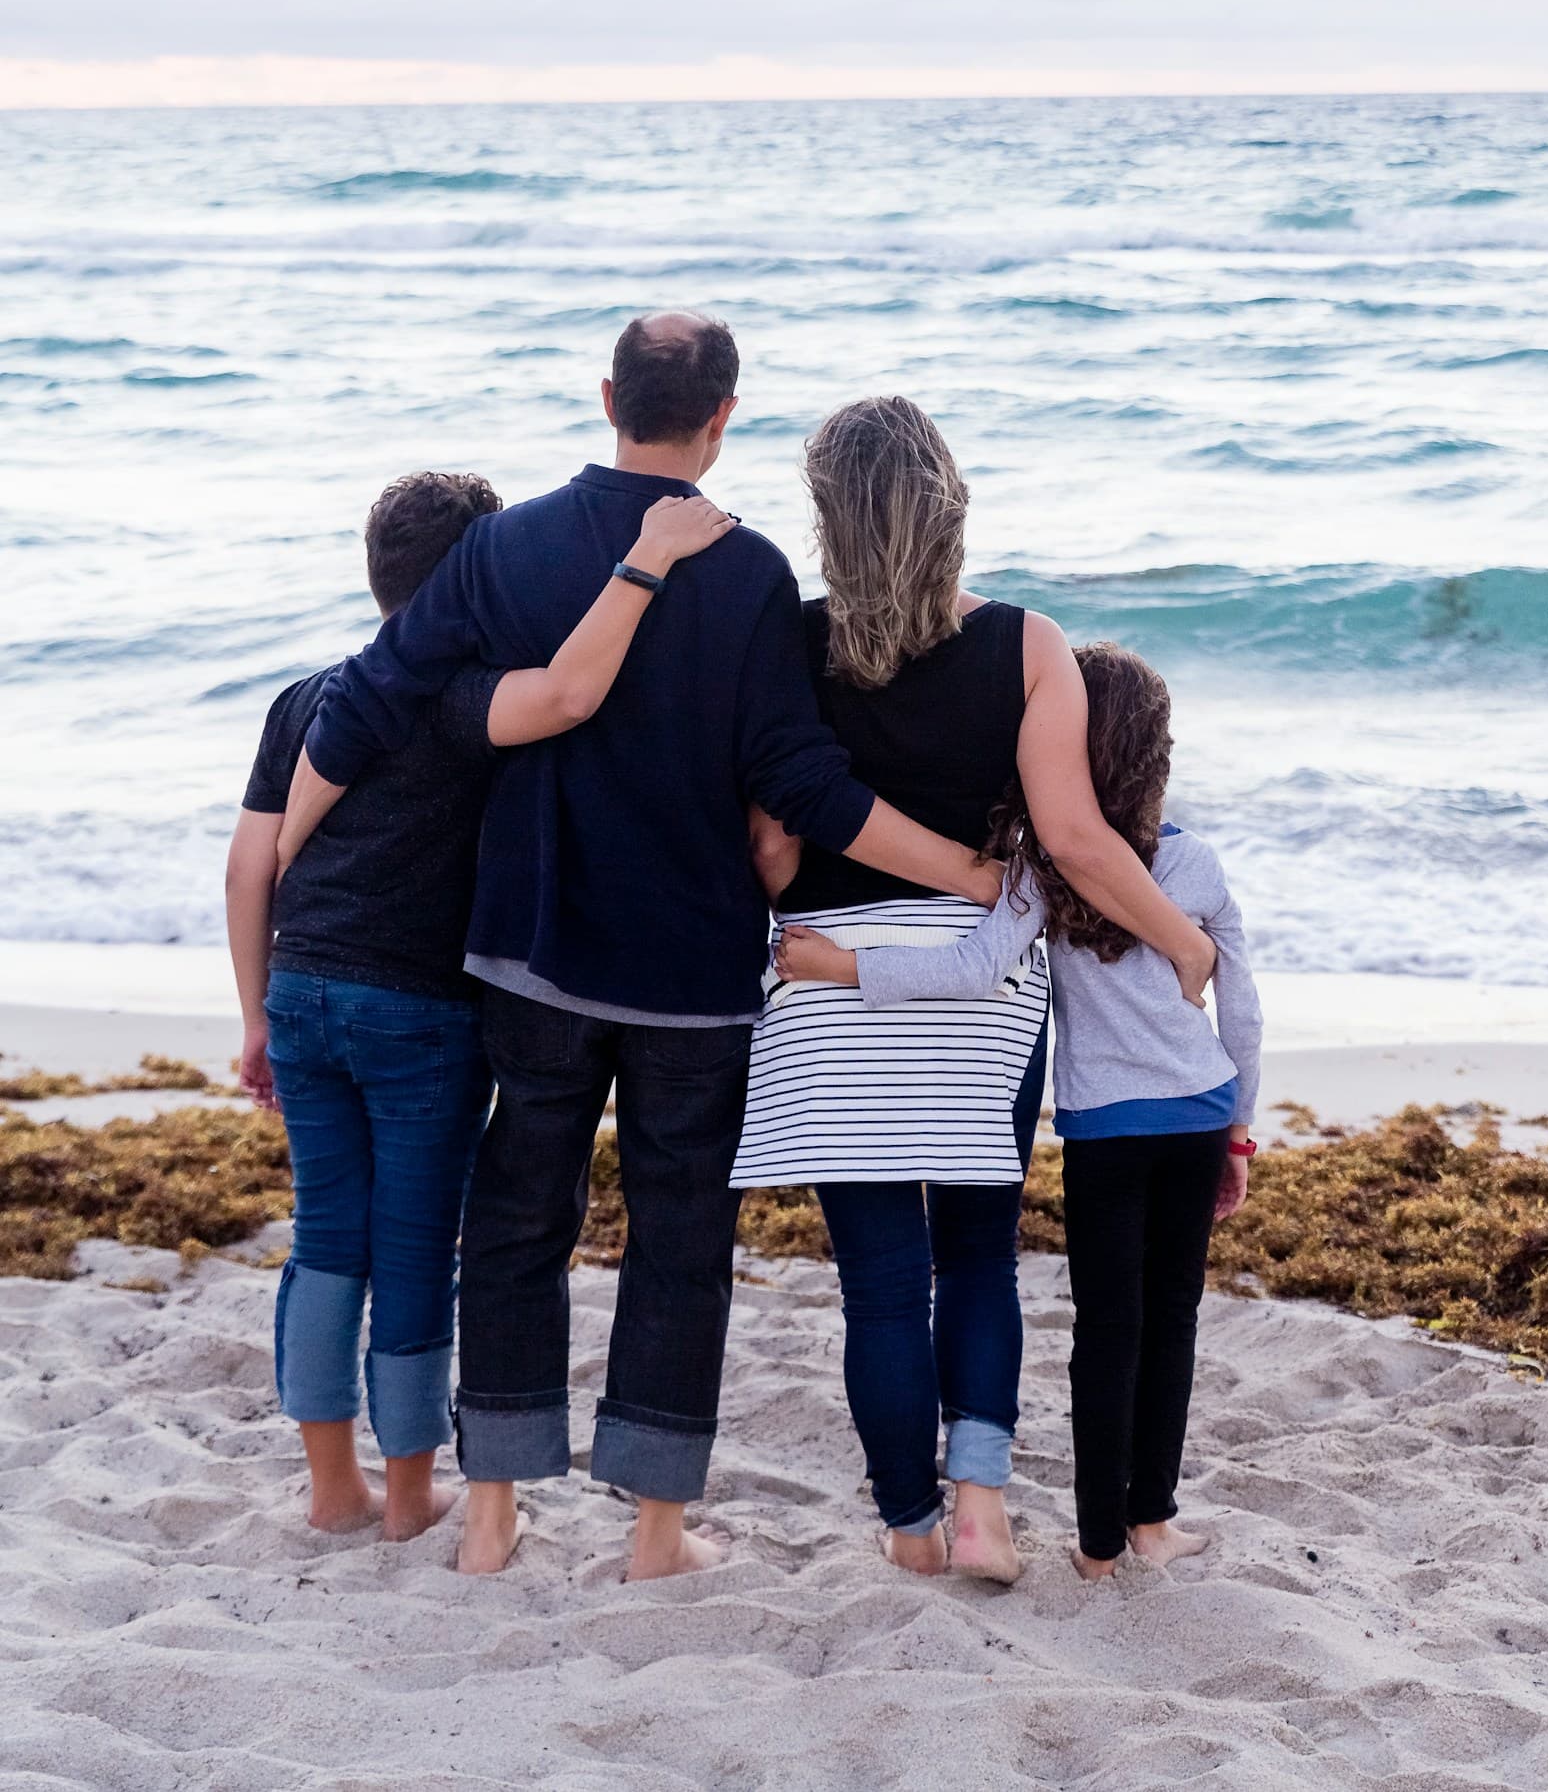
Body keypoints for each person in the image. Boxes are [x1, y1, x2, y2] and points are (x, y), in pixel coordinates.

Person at [277, 315, 1000, 1583]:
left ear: (607, 394)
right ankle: (656, 1535)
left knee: (515, 1224)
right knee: (677, 1242)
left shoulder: (505, 547)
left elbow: (373, 694)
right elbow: (803, 782)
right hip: (689, 973)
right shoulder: (751, 573)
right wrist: (976, 877)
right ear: (723, 416)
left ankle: (492, 1513)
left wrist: (286, 852)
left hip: (533, 953)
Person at [728, 398, 1220, 1583]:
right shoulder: (1025, 644)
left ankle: (909, 1529)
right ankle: (985, 1506)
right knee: (978, 1259)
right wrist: (1182, 947)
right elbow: (1075, 839)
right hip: (979, 989)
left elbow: (771, 858)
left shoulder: (787, 646)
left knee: (882, 1284)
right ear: (949, 503)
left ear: (826, 519)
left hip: (829, 988)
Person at [227, 469, 734, 1540]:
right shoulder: (460, 701)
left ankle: (330, 1490)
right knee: (413, 1250)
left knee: (327, 1239)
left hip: (303, 993)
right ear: (477, 576)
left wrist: (255, 1017)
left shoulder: (307, 695)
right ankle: (409, 1497)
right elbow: (564, 694)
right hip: (417, 1014)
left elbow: (248, 869)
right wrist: (646, 565)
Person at [780, 640, 1262, 1580]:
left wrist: (841, 966)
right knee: (1174, 1321)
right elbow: (1240, 1007)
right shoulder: (1194, 864)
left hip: (1104, 1133)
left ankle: (1093, 1549)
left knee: (1107, 1328)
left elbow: (970, 968)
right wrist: (1241, 1125)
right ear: (1158, 756)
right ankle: (1152, 1520)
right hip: (1200, 1116)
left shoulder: (1043, 868)